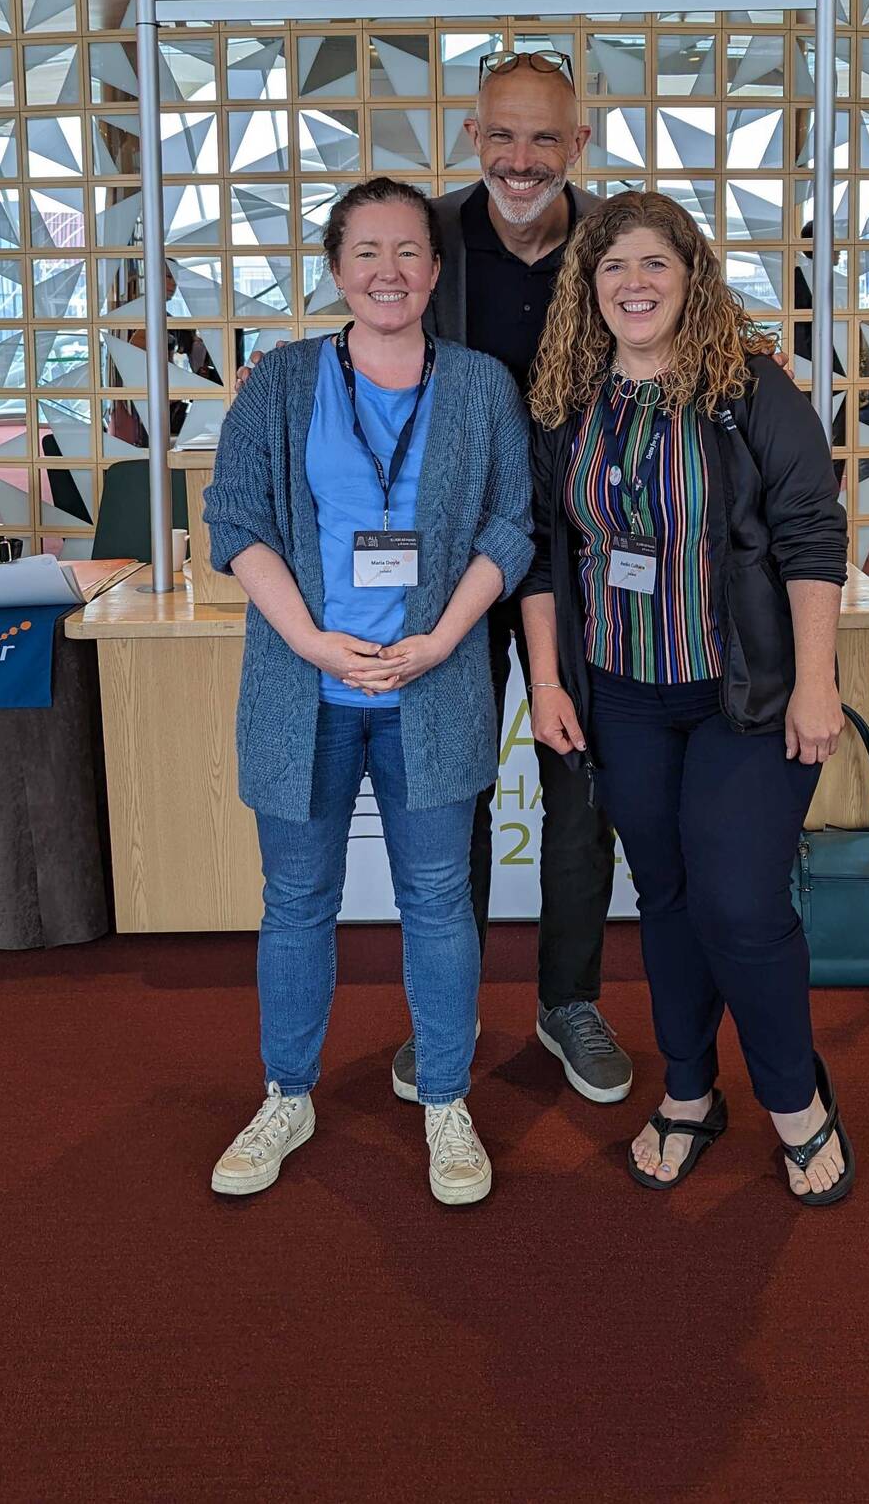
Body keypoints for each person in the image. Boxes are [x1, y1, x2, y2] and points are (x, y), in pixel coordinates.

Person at [520, 190, 856, 1202]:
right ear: (589, 287)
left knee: (740, 903)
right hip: (621, 695)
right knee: (664, 897)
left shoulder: (750, 388)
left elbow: (812, 533)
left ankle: (795, 1099)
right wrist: (547, 680)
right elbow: (540, 551)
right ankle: (689, 1090)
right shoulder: (566, 399)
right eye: (612, 265)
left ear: (691, 276)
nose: (634, 283)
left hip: (742, 695)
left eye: (654, 263)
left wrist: (815, 684)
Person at [203, 176, 532, 1208]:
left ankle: (446, 1099)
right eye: (366, 252)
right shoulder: (280, 383)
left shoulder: (481, 386)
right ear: (336, 269)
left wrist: (440, 639)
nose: (389, 271)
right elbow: (235, 519)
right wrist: (309, 641)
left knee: (436, 897)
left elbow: (510, 525)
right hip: (302, 691)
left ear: (436, 269)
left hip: (433, 687)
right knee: (297, 899)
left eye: (409, 251)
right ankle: (286, 1093)